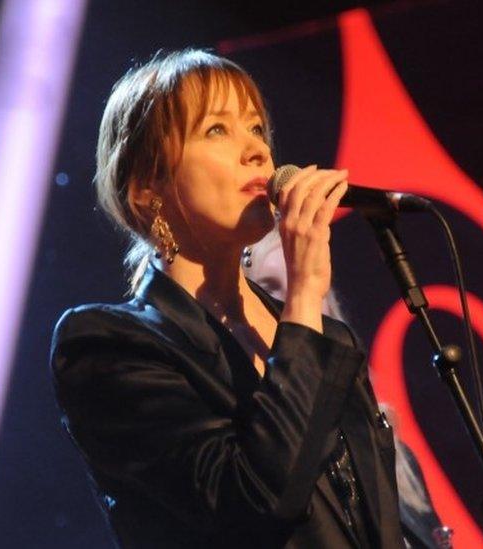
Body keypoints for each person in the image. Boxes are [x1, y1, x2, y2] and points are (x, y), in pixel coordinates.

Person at [51, 49, 404, 548]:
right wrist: (304, 293)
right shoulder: (106, 346)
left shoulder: (330, 341)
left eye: (257, 129)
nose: (257, 151)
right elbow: (256, 501)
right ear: (148, 190)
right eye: (217, 130)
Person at [243, 230, 452, 549]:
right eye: (271, 289)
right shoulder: (262, 449)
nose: (297, 303)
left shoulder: (386, 441)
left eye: (306, 284)